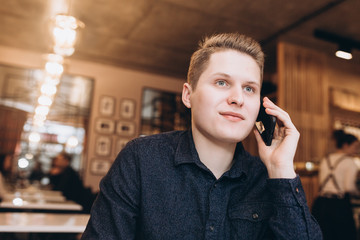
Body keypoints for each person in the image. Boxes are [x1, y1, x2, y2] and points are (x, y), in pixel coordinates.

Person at [81, 33, 322, 239]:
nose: (238, 98)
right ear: (188, 95)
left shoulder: (265, 179)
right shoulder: (142, 159)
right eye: (221, 82)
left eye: (249, 88)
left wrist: (281, 170)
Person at [312, 130, 360, 240]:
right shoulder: (350, 162)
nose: (357, 150)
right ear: (345, 145)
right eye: (356, 146)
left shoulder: (326, 159)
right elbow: (349, 187)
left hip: (320, 203)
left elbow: (321, 182)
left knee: (322, 235)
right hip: (339, 205)